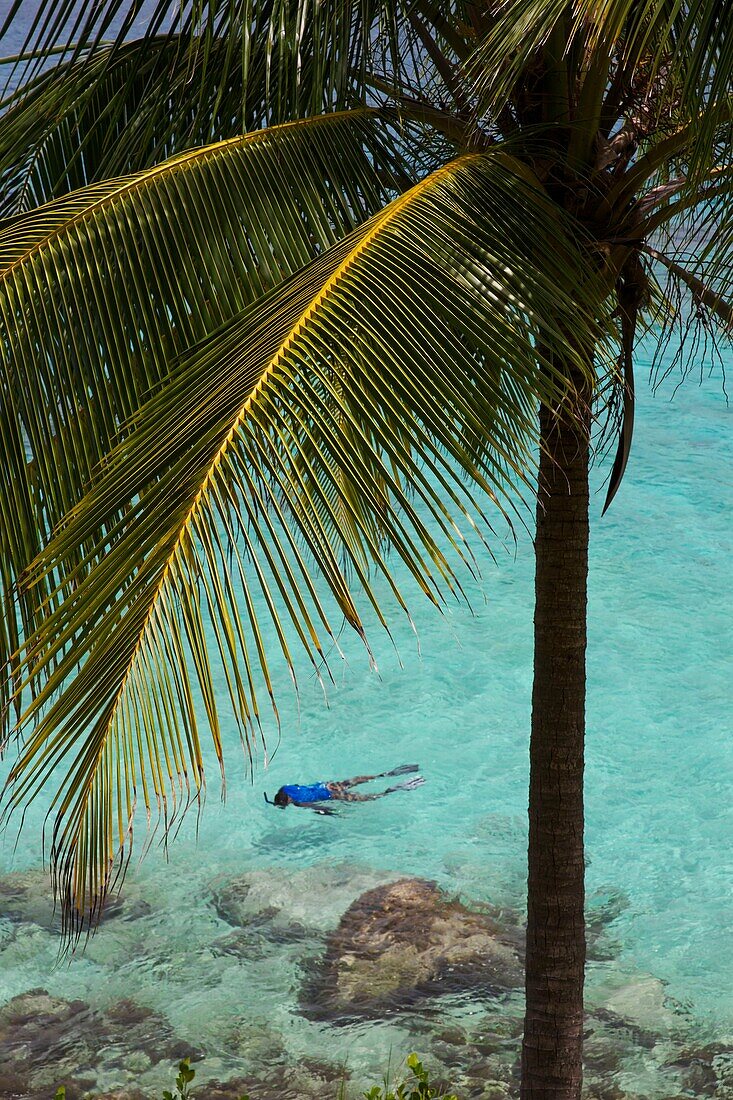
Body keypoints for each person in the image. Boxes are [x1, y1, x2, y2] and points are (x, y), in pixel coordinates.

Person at [264, 764, 424, 814]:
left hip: (332, 795)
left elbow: (318, 807)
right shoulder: (285, 787)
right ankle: (386, 774)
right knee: (356, 781)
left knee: (370, 798)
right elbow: (300, 787)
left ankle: (393, 790)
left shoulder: (298, 803)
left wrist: (331, 814)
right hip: (328, 785)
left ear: (288, 801)